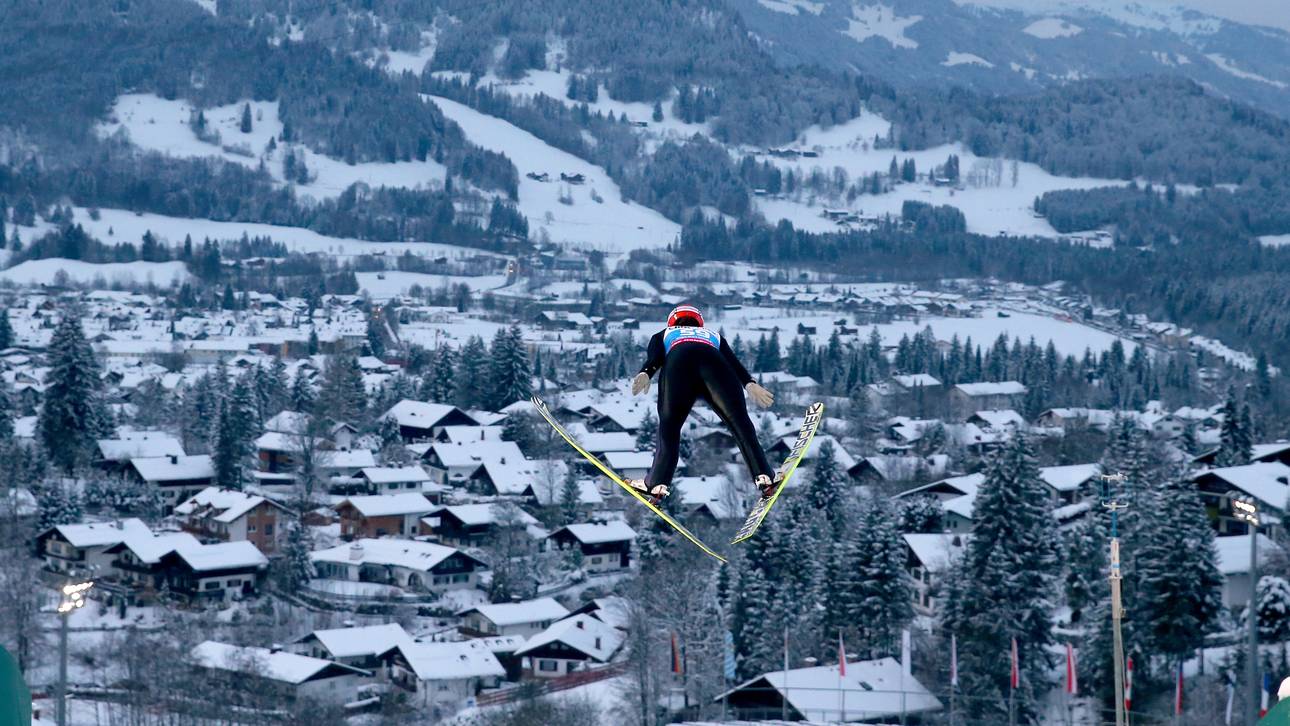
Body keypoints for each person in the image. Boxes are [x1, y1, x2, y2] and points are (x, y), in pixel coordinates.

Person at [627, 304, 777, 500]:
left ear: (673, 320)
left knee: (669, 428)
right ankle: (764, 476)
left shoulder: (664, 333)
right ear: (699, 321)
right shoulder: (713, 335)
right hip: (715, 365)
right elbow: (733, 362)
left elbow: (655, 357)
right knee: (740, 423)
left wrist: (646, 372)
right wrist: (749, 383)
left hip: (678, 363)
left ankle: (656, 484)